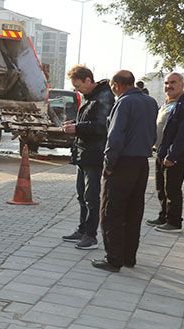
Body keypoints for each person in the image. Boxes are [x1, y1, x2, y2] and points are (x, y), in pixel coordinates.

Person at [93, 71, 159, 272]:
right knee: (133, 211)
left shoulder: (123, 103)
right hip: (141, 164)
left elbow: (115, 137)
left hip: (123, 163)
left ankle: (113, 258)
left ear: (118, 84)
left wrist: (108, 164)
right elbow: (153, 133)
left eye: (113, 86)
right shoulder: (150, 102)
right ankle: (129, 256)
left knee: (111, 211)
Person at [61, 66, 114, 250]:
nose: (77, 90)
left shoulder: (104, 97)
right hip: (83, 152)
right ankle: (83, 229)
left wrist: (78, 128)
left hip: (94, 154)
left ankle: (91, 235)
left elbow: (101, 127)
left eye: (78, 86)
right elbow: (87, 123)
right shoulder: (89, 96)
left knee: (91, 197)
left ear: (88, 81)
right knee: (81, 195)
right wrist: (75, 125)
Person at [149, 72, 184, 232]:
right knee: (161, 187)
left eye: (173, 82)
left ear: (182, 85)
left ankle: (174, 222)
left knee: (172, 188)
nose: (169, 86)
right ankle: (164, 216)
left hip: (174, 155)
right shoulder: (168, 102)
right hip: (161, 152)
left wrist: (173, 155)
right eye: (166, 83)